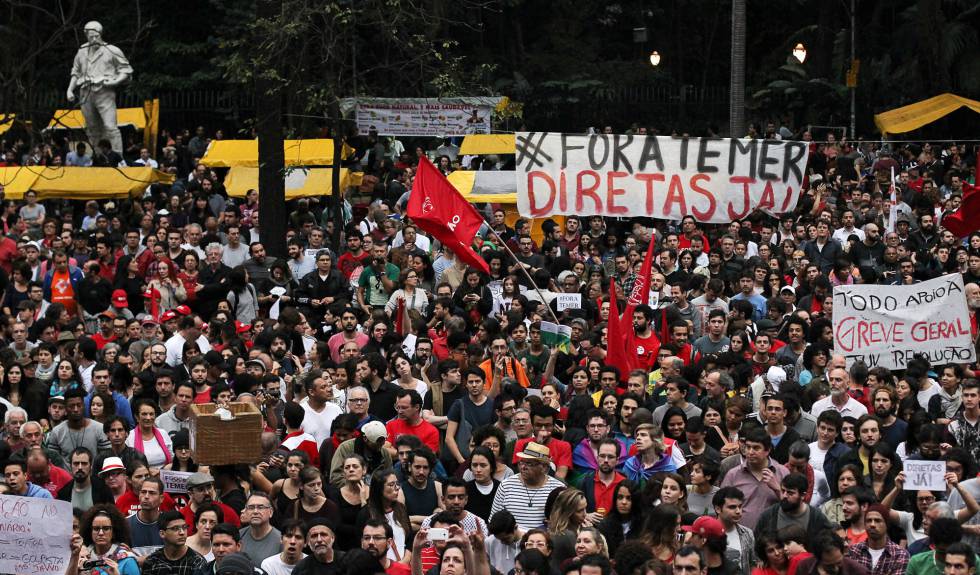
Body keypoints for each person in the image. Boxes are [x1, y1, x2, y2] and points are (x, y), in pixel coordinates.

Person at [490, 442, 565, 530]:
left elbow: (565, 524)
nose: (523, 467)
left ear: (544, 467)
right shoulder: (506, 486)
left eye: (529, 464)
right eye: (521, 462)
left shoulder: (558, 489)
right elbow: (494, 522)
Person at [846, 504, 909, 575]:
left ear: (887, 524)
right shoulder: (853, 551)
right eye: (869, 521)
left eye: (877, 521)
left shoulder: (900, 554)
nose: (872, 524)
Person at [79, 504, 141, 575]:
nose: (101, 533)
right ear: (90, 531)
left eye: (106, 528)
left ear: (114, 531)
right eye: (96, 529)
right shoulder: (82, 558)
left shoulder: (127, 560)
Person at [141, 510, 209, 574]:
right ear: (162, 534)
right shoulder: (152, 562)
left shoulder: (197, 562)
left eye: (184, 527)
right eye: (175, 528)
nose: (182, 532)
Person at [239, 491, 282, 564]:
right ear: (245, 511)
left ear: (271, 512)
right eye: (251, 507)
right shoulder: (239, 535)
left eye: (260, 507)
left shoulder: (281, 540)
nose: (255, 511)